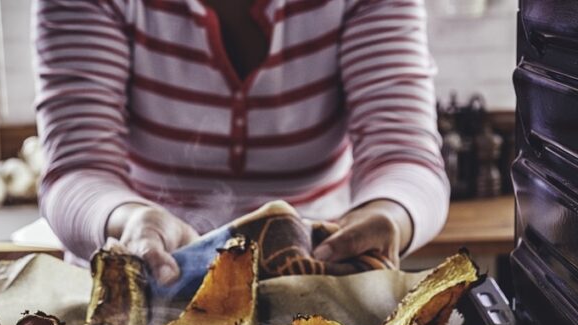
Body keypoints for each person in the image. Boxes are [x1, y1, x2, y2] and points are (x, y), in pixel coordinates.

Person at [33, 0, 449, 284]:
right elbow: (77, 170)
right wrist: (131, 219)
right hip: (143, 284)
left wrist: (390, 213)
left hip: (314, 287)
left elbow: (404, 158)